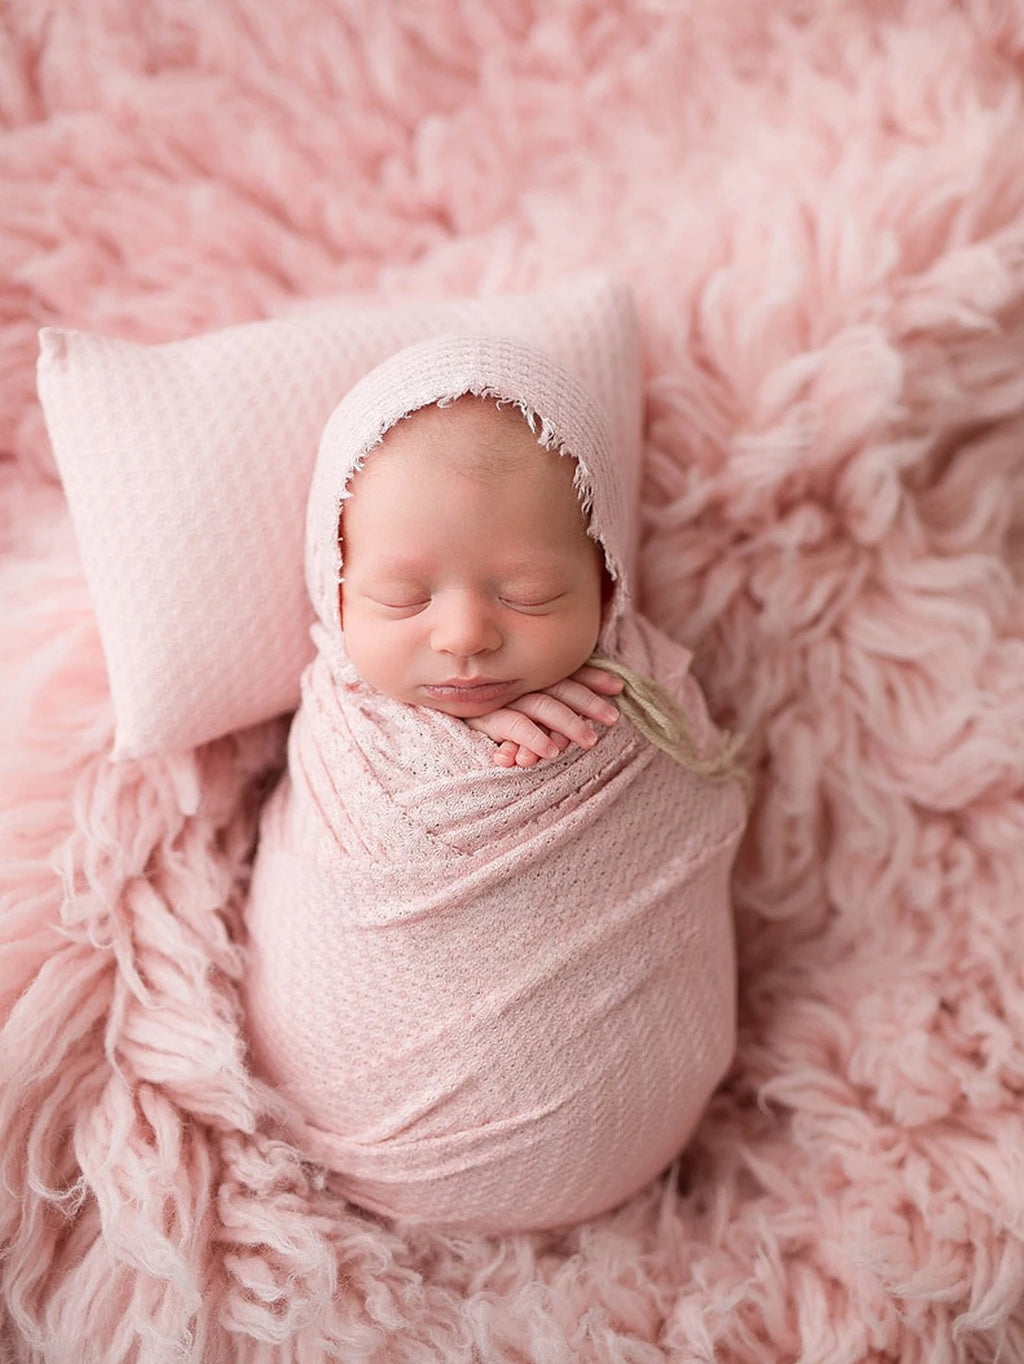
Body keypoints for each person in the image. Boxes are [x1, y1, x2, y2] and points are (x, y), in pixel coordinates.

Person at [244, 334, 747, 1233]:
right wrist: (454, 749)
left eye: (527, 594)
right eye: (403, 599)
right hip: (360, 1138)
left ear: (604, 580)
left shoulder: (642, 697)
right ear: (336, 588)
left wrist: (595, 747)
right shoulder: (347, 734)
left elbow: (695, 801)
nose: (466, 636)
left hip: (641, 1121)